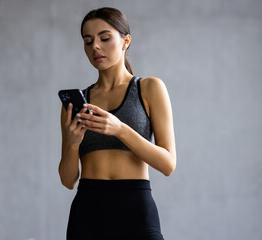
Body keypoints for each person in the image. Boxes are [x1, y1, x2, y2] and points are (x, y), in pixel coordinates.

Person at [59, 7, 176, 240]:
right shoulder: (77, 103)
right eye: (88, 41)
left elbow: (167, 164)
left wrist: (120, 129)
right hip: (87, 210)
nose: (95, 47)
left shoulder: (150, 88)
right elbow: (68, 180)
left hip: (136, 206)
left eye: (104, 38)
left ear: (125, 41)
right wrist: (72, 144)